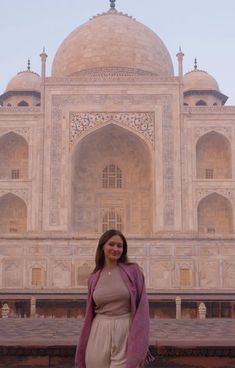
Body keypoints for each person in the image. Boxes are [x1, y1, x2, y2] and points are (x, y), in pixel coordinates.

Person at [75, 229, 151, 368]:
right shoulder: (94, 277)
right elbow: (90, 312)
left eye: (119, 246)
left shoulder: (133, 272)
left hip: (124, 329)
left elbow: (142, 309)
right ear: (102, 246)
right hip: (99, 331)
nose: (115, 249)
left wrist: (140, 340)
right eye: (111, 244)